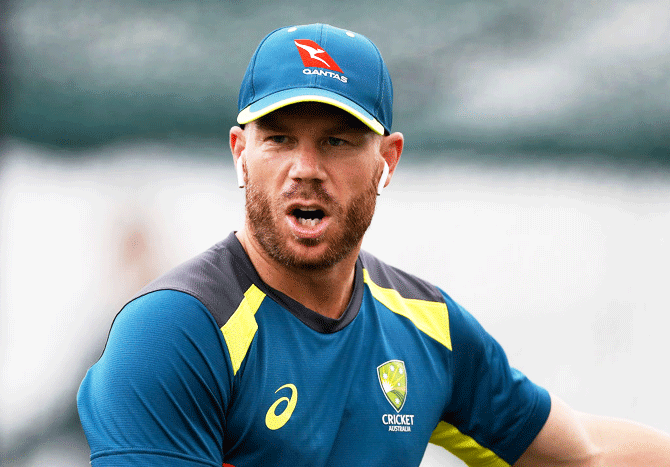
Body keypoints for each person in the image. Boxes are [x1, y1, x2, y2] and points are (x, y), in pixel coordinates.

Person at [77, 23, 670, 467]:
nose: (305, 168)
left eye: (336, 141)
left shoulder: (426, 326)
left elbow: (585, 455)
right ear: (240, 153)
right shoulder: (177, 330)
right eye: (280, 139)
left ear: (387, 161)